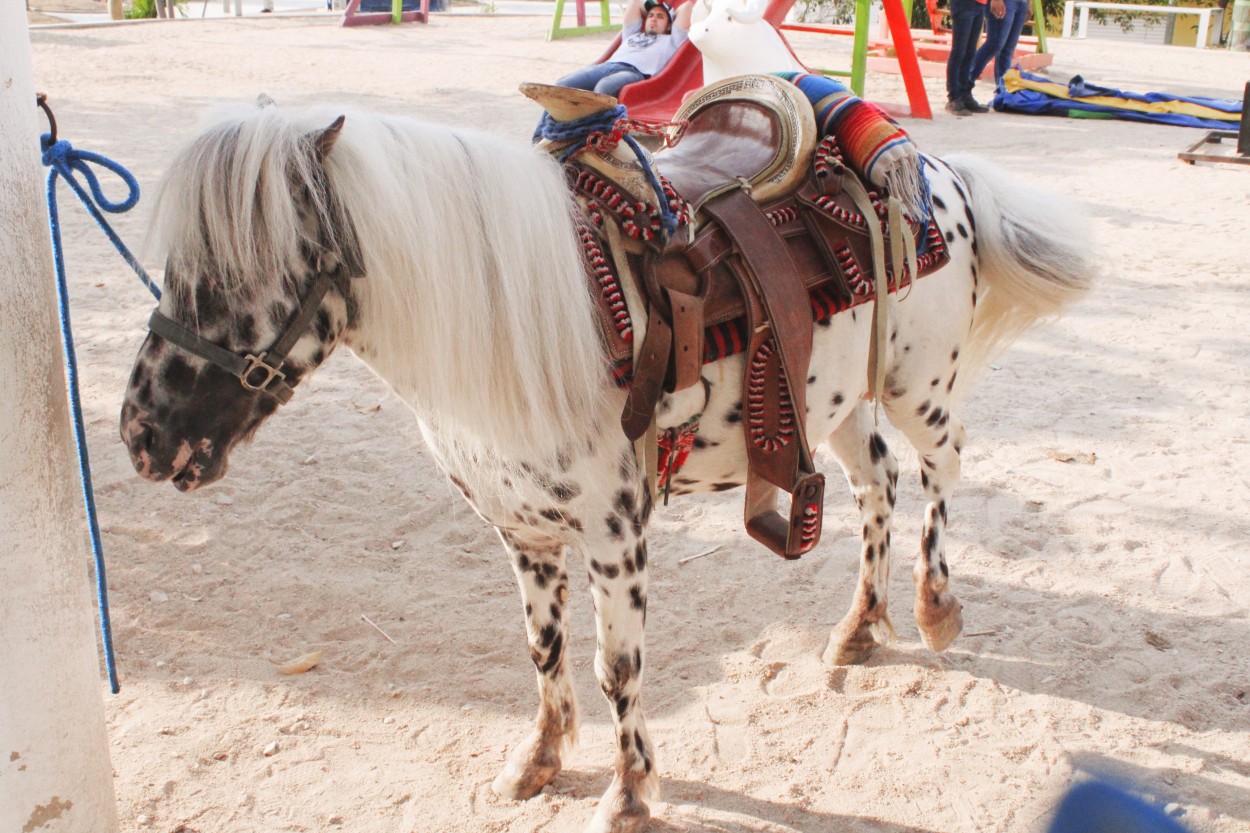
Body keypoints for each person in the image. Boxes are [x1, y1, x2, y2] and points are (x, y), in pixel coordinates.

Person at [554, 0, 694, 99]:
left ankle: (594, 133)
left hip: (634, 72)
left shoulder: (672, 40)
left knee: (604, 88)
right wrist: (655, 8)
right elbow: (635, 3)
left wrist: (669, 13)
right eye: (650, 16)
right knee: (561, 85)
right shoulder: (632, 33)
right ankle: (543, 136)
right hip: (608, 65)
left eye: (660, 17)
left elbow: (687, 6)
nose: (653, 19)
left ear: (669, 25)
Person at [969, 0, 1029, 98]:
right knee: (995, 44)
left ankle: (1003, 91)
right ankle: (965, 83)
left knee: (1008, 49)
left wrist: (1028, 3)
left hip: (1021, 3)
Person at [944, 0, 990, 115]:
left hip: (980, 4)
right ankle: (954, 97)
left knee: (970, 51)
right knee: (959, 51)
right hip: (964, 4)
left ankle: (965, 94)